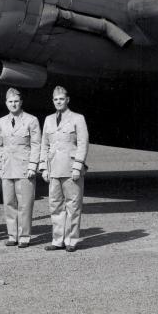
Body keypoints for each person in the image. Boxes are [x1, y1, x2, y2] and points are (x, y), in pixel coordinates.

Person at [40, 86, 90, 252]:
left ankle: (71, 240)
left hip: (70, 168)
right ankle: (58, 240)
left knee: (73, 205)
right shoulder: (48, 120)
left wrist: (78, 166)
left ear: (67, 100)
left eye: (61, 99)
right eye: (55, 99)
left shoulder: (78, 118)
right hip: (54, 168)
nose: (58, 102)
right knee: (55, 206)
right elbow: (44, 145)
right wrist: (44, 168)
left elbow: (83, 143)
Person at [0, 88, 41, 248]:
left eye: (16, 101)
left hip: (24, 167)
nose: (13, 104)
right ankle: (12, 235)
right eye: (10, 102)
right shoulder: (2, 121)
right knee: (8, 203)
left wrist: (32, 166)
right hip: (7, 167)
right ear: (6, 103)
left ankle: (24, 236)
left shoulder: (31, 120)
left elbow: (36, 145)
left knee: (24, 203)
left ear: (21, 102)